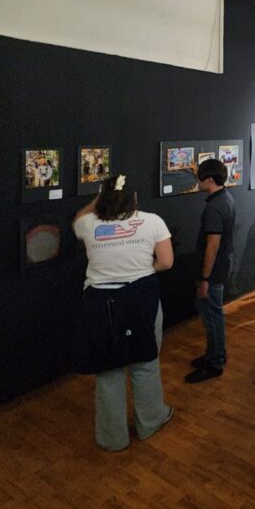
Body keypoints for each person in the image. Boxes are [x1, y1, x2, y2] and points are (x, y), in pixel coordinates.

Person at [73, 175, 174, 451]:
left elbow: (77, 219)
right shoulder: (153, 221)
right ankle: (150, 422)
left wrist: (99, 198)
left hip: (99, 304)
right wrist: (141, 272)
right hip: (141, 299)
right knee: (146, 362)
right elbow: (166, 261)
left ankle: (112, 438)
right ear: (135, 199)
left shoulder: (87, 224)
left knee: (108, 371)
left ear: (102, 198)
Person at [185, 158, 236, 384]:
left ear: (208, 179)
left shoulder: (214, 207)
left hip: (213, 271)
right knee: (214, 314)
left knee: (212, 316)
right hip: (221, 267)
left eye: (200, 177)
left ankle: (215, 362)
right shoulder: (226, 198)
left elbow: (212, 246)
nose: (198, 181)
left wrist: (204, 277)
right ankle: (216, 354)